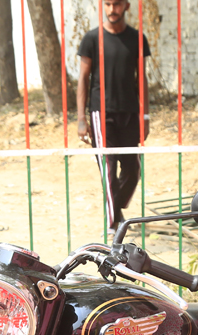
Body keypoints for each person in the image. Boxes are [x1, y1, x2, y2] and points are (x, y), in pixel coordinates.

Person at [77, 0, 150, 230]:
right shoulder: (92, 39)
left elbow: (142, 79)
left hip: (129, 112)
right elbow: (83, 79)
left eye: (116, 4)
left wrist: (145, 116)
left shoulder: (137, 38)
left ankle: (115, 207)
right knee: (108, 169)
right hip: (101, 114)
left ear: (126, 6)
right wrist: (81, 119)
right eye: (107, 4)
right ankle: (114, 224)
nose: (111, 10)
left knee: (133, 170)